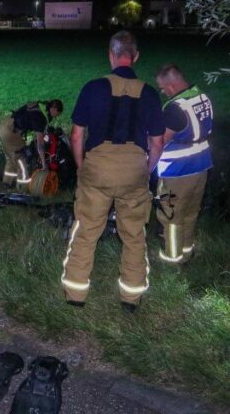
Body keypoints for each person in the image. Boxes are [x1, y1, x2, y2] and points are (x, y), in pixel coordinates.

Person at [61, 31, 165, 313]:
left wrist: (82, 167)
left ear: (111, 54)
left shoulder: (93, 88)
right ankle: (130, 299)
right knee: (134, 235)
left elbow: (76, 135)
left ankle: (75, 295)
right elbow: (157, 142)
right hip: (134, 170)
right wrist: (146, 170)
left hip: (98, 168)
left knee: (85, 230)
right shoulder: (150, 94)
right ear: (136, 57)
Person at [154, 64, 213, 264]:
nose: (163, 92)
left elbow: (159, 141)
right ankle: (188, 251)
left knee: (170, 217)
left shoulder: (175, 109)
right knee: (190, 212)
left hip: (177, 172)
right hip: (202, 165)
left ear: (171, 85)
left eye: (163, 88)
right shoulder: (202, 97)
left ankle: (172, 260)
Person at [0, 100, 63, 187]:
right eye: (57, 114)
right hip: (11, 131)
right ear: (54, 109)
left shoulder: (41, 106)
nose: (56, 117)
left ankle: (6, 183)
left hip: (4, 126)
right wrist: (44, 165)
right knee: (21, 158)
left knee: (11, 158)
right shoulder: (41, 118)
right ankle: (22, 188)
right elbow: (40, 145)